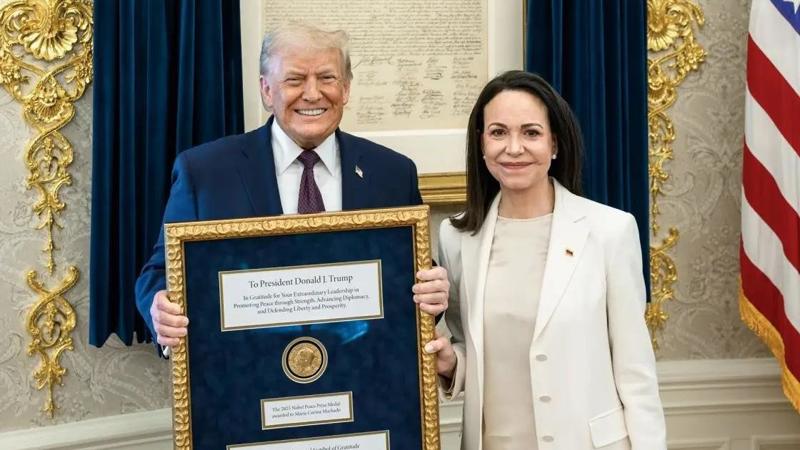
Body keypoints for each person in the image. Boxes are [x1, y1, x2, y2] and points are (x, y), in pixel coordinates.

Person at [135, 23, 449, 349]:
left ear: (345, 89)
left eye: (327, 78)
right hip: (245, 368)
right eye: (295, 80)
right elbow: (160, 273)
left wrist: (433, 292)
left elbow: (413, 277)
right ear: (266, 90)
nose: (312, 94)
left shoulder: (393, 173)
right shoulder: (205, 173)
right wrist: (161, 310)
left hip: (362, 368)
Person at [423, 71, 666, 449]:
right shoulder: (456, 237)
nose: (513, 148)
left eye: (531, 133)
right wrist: (451, 364)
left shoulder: (610, 231)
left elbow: (636, 373)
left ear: (554, 143)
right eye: (498, 132)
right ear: (482, 143)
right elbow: (470, 348)